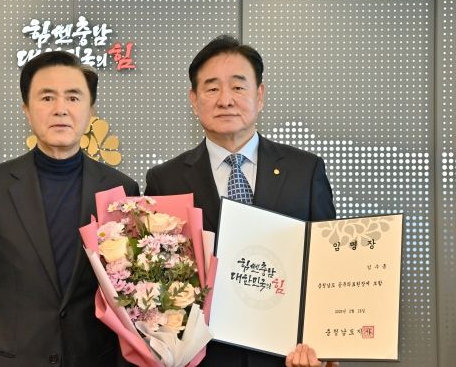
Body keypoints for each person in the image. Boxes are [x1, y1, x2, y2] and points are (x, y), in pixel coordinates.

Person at [144, 35, 338, 367]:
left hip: (288, 357)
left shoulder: (305, 170)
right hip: (203, 359)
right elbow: (154, 280)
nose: (225, 100)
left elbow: (328, 265)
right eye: (211, 88)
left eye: (237, 87)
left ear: (259, 95)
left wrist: (329, 347)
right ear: (194, 100)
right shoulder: (166, 180)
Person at [0, 51, 139, 367]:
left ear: (91, 110)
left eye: (73, 97)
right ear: (26, 109)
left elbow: (130, 304)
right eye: (47, 97)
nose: (60, 109)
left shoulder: (121, 190)